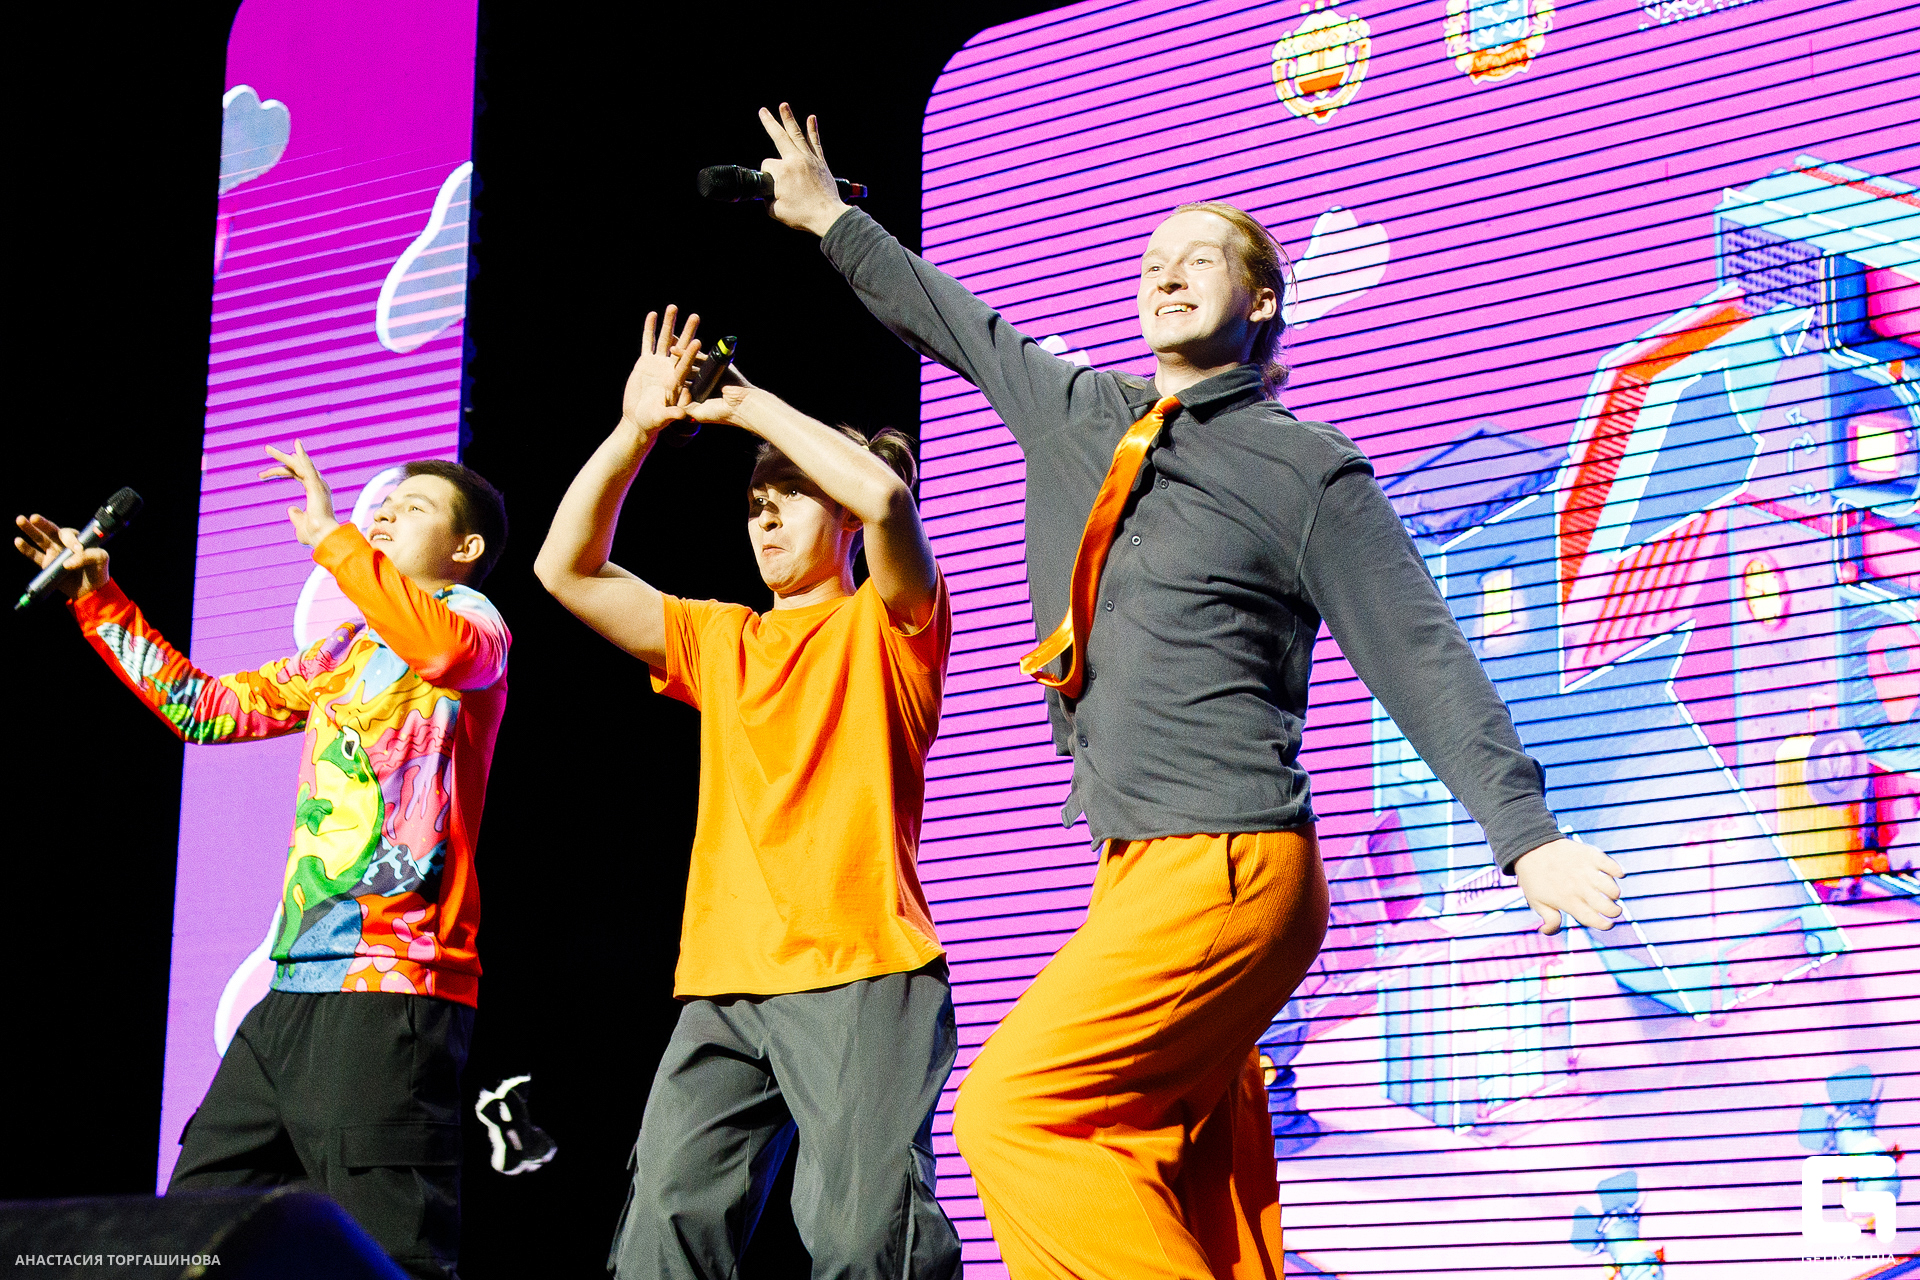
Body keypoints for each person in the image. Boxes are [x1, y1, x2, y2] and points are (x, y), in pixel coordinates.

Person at [746, 103, 1629, 1279]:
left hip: (1230, 856)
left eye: (1200, 259)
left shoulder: (1306, 469)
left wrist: (1524, 833)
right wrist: (829, 220)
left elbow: (1420, 653)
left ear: (1262, 301)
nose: (1166, 274)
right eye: (1154, 261)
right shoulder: (1079, 413)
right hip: (1136, 859)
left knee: (1018, 1110)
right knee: (1181, 1165)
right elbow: (952, 317)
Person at [533, 309, 962, 1279]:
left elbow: (889, 498)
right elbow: (564, 569)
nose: (764, 517)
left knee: (864, 1241)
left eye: (790, 497)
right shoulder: (721, 638)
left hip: (860, 969)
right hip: (725, 984)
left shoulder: (890, 623)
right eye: (755, 502)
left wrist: (745, 404)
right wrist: (635, 430)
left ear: (840, 517)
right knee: (661, 1239)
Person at [13, 448, 510, 1280]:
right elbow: (206, 710)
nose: (386, 513)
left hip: (391, 989)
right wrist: (98, 601)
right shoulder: (343, 652)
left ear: (465, 549)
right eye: (384, 504)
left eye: (415, 507)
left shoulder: (475, 624)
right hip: (290, 990)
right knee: (192, 1236)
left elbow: (444, 654)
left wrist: (330, 538)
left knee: (395, 1255)